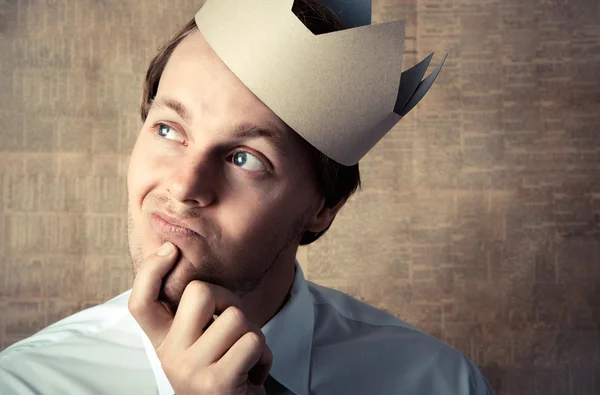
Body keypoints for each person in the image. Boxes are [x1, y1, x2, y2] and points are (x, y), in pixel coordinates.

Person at [0, 0, 494, 394]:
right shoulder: (27, 383)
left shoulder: (439, 382)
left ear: (323, 208)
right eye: (169, 129)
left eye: (244, 159)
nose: (184, 186)